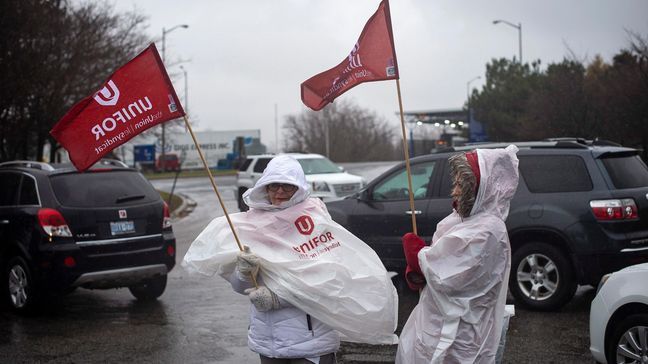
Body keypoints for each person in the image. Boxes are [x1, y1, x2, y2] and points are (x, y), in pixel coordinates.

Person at [396, 145, 519, 364]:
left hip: (460, 336)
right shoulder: (466, 220)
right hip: (441, 325)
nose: (455, 191)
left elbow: (449, 278)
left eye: (461, 185)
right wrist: (420, 273)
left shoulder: (487, 230)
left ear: (480, 189)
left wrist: (418, 255)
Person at [229, 155, 339, 364]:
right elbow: (239, 287)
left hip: (309, 343)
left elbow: (327, 280)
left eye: (287, 187)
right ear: (265, 188)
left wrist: (278, 299)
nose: (279, 192)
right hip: (268, 344)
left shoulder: (316, 221)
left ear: (299, 189)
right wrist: (243, 272)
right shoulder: (252, 223)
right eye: (274, 186)